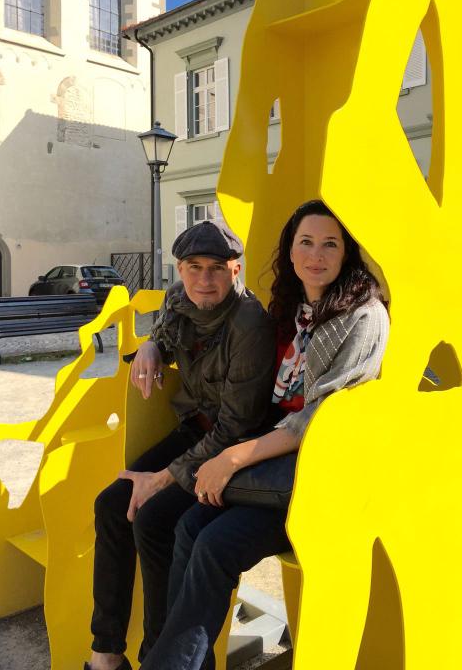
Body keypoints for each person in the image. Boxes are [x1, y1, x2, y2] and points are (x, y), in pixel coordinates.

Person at [138, 199, 390, 670]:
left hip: (316, 476)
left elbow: (315, 420)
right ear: (291, 251)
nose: (316, 255)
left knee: (210, 539)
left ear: (347, 253)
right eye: (306, 242)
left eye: (330, 244)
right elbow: (183, 298)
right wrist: (153, 342)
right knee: (189, 524)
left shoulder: (364, 316)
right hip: (272, 467)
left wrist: (230, 459)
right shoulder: (291, 310)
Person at [86, 221, 276, 670]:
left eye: (217, 269)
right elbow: (169, 334)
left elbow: (237, 427)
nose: (204, 280)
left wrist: (164, 478)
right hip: (194, 430)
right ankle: (106, 652)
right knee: (112, 504)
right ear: (180, 268)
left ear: (236, 270)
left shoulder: (250, 324)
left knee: (152, 517)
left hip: (233, 448)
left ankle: (159, 653)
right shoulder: (179, 297)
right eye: (194, 267)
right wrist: (151, 345)